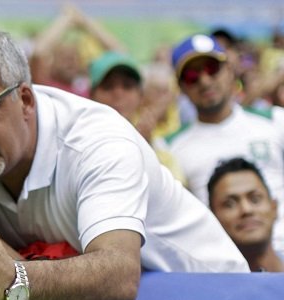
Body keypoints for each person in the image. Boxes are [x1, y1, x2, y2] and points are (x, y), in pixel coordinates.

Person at [0, 22, 249, 300]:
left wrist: (14, 278)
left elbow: (117, 275)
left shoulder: (98, 142)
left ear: (26, 101)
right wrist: (13, 272)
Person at [164, 33, 284, 254]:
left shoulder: (276, 120)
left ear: (229, 71)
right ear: (180, 87)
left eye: (211, 69)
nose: (205, 80)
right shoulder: (169, 147)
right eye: (192, 75)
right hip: (225, 267)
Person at [88, 51, 185, 181]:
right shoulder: (76, 142)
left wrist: (145, 149)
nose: (118, 93)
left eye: (127, 86)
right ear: (91, 95)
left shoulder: (159, 148)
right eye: (108, 86)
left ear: (140, 95)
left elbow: (173, 193)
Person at [207, 157, 283, 272]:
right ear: (212, 218)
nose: (246, 210)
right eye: (230, 204)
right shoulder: (205, 285)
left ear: (274, 207)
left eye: (255, 199)